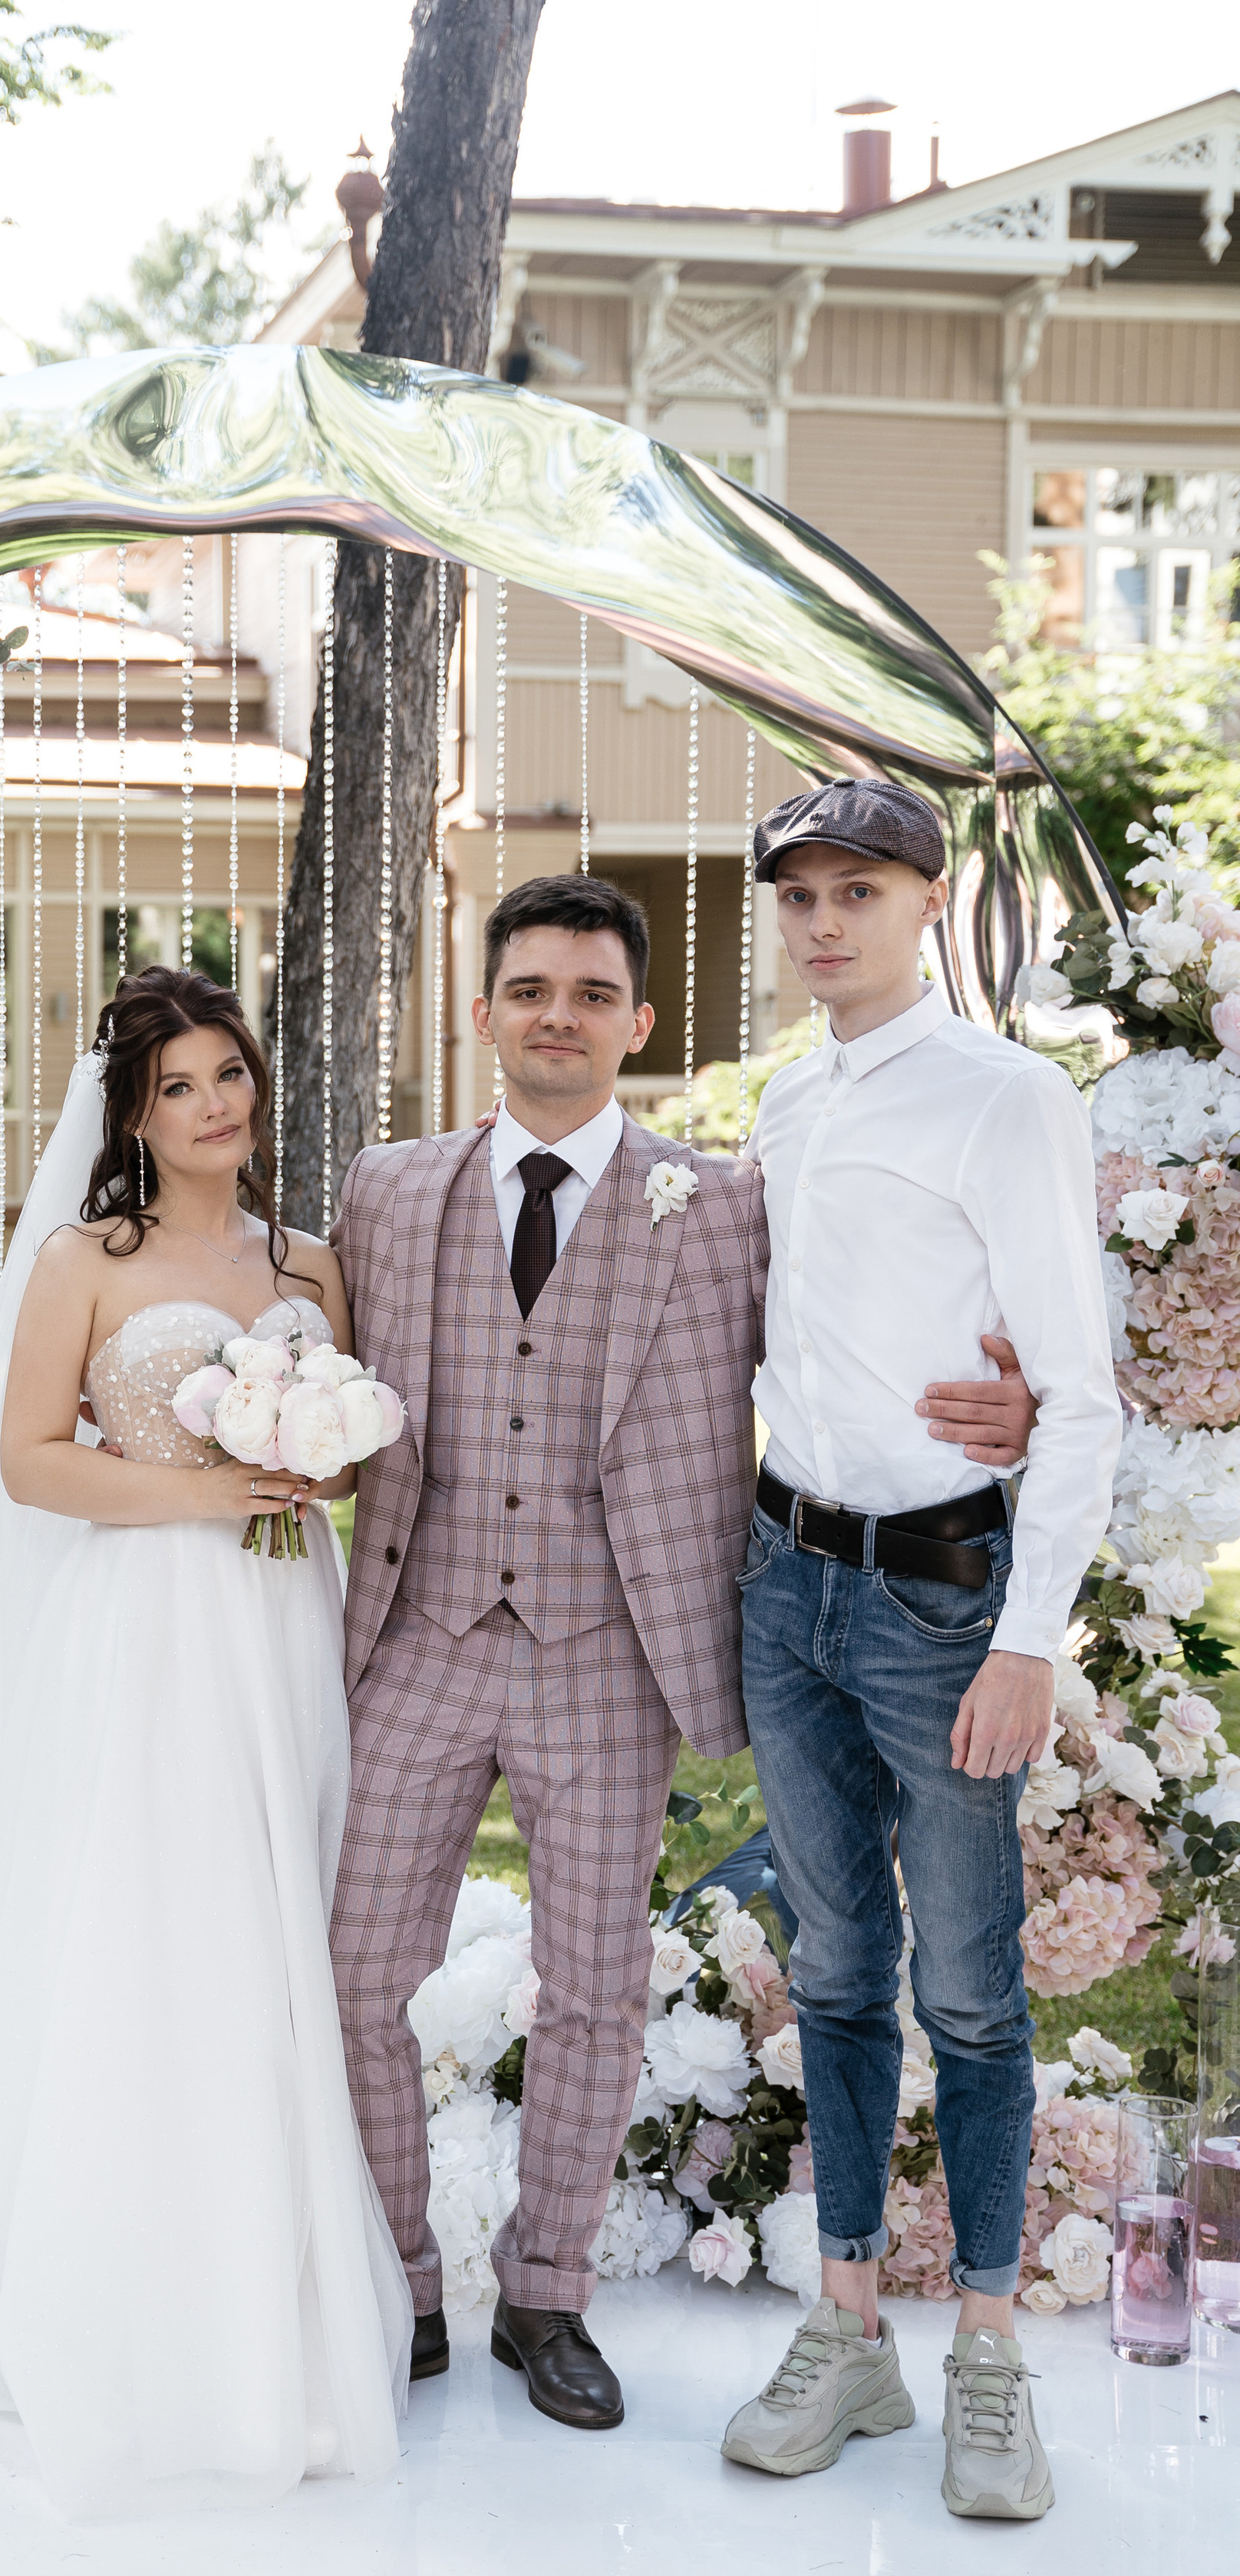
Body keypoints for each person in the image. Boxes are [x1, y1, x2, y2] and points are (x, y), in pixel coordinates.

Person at [328, 873, 1034, 2433]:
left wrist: (1025, 1396)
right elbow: (297, 1351)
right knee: (355, 1972)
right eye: (529, 990)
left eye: (590, 994)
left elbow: (871, 1310)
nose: (557, 1018)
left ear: (635, 1024)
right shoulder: (382, 1189)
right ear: (483, 1010)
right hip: (415, 1638)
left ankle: (546, 2297)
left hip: (608, 1651)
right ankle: (395, 2280)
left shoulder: (721, 1204)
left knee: (591, 1991)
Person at [0, 965, 411, 2517]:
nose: (218, 1107)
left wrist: (307, 1455)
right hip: (140, 1631)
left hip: (276, 1629)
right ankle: (108, 2300)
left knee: (267, 1933)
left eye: (231, 1076)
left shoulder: (308, 1262)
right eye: (182, 1088)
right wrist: (207, 1488)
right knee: (140, 1933)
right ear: (134, 1117)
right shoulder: (85, 1259)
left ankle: (265, 2302)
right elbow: (22, 1465)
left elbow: (335, 1470)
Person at [720, 778, 1120, 2523]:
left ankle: (983, 2354)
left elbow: (1082, 1391)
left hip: (940, 1607)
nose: (824, 921)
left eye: (857, 890)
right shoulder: (785, 1108)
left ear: (926, 902)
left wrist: (1025, 1639)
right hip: (781, 1582)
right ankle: (846, 2327)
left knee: (965, 1985)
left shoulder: (1004, 1099)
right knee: (827, 1969)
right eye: (798, 892)